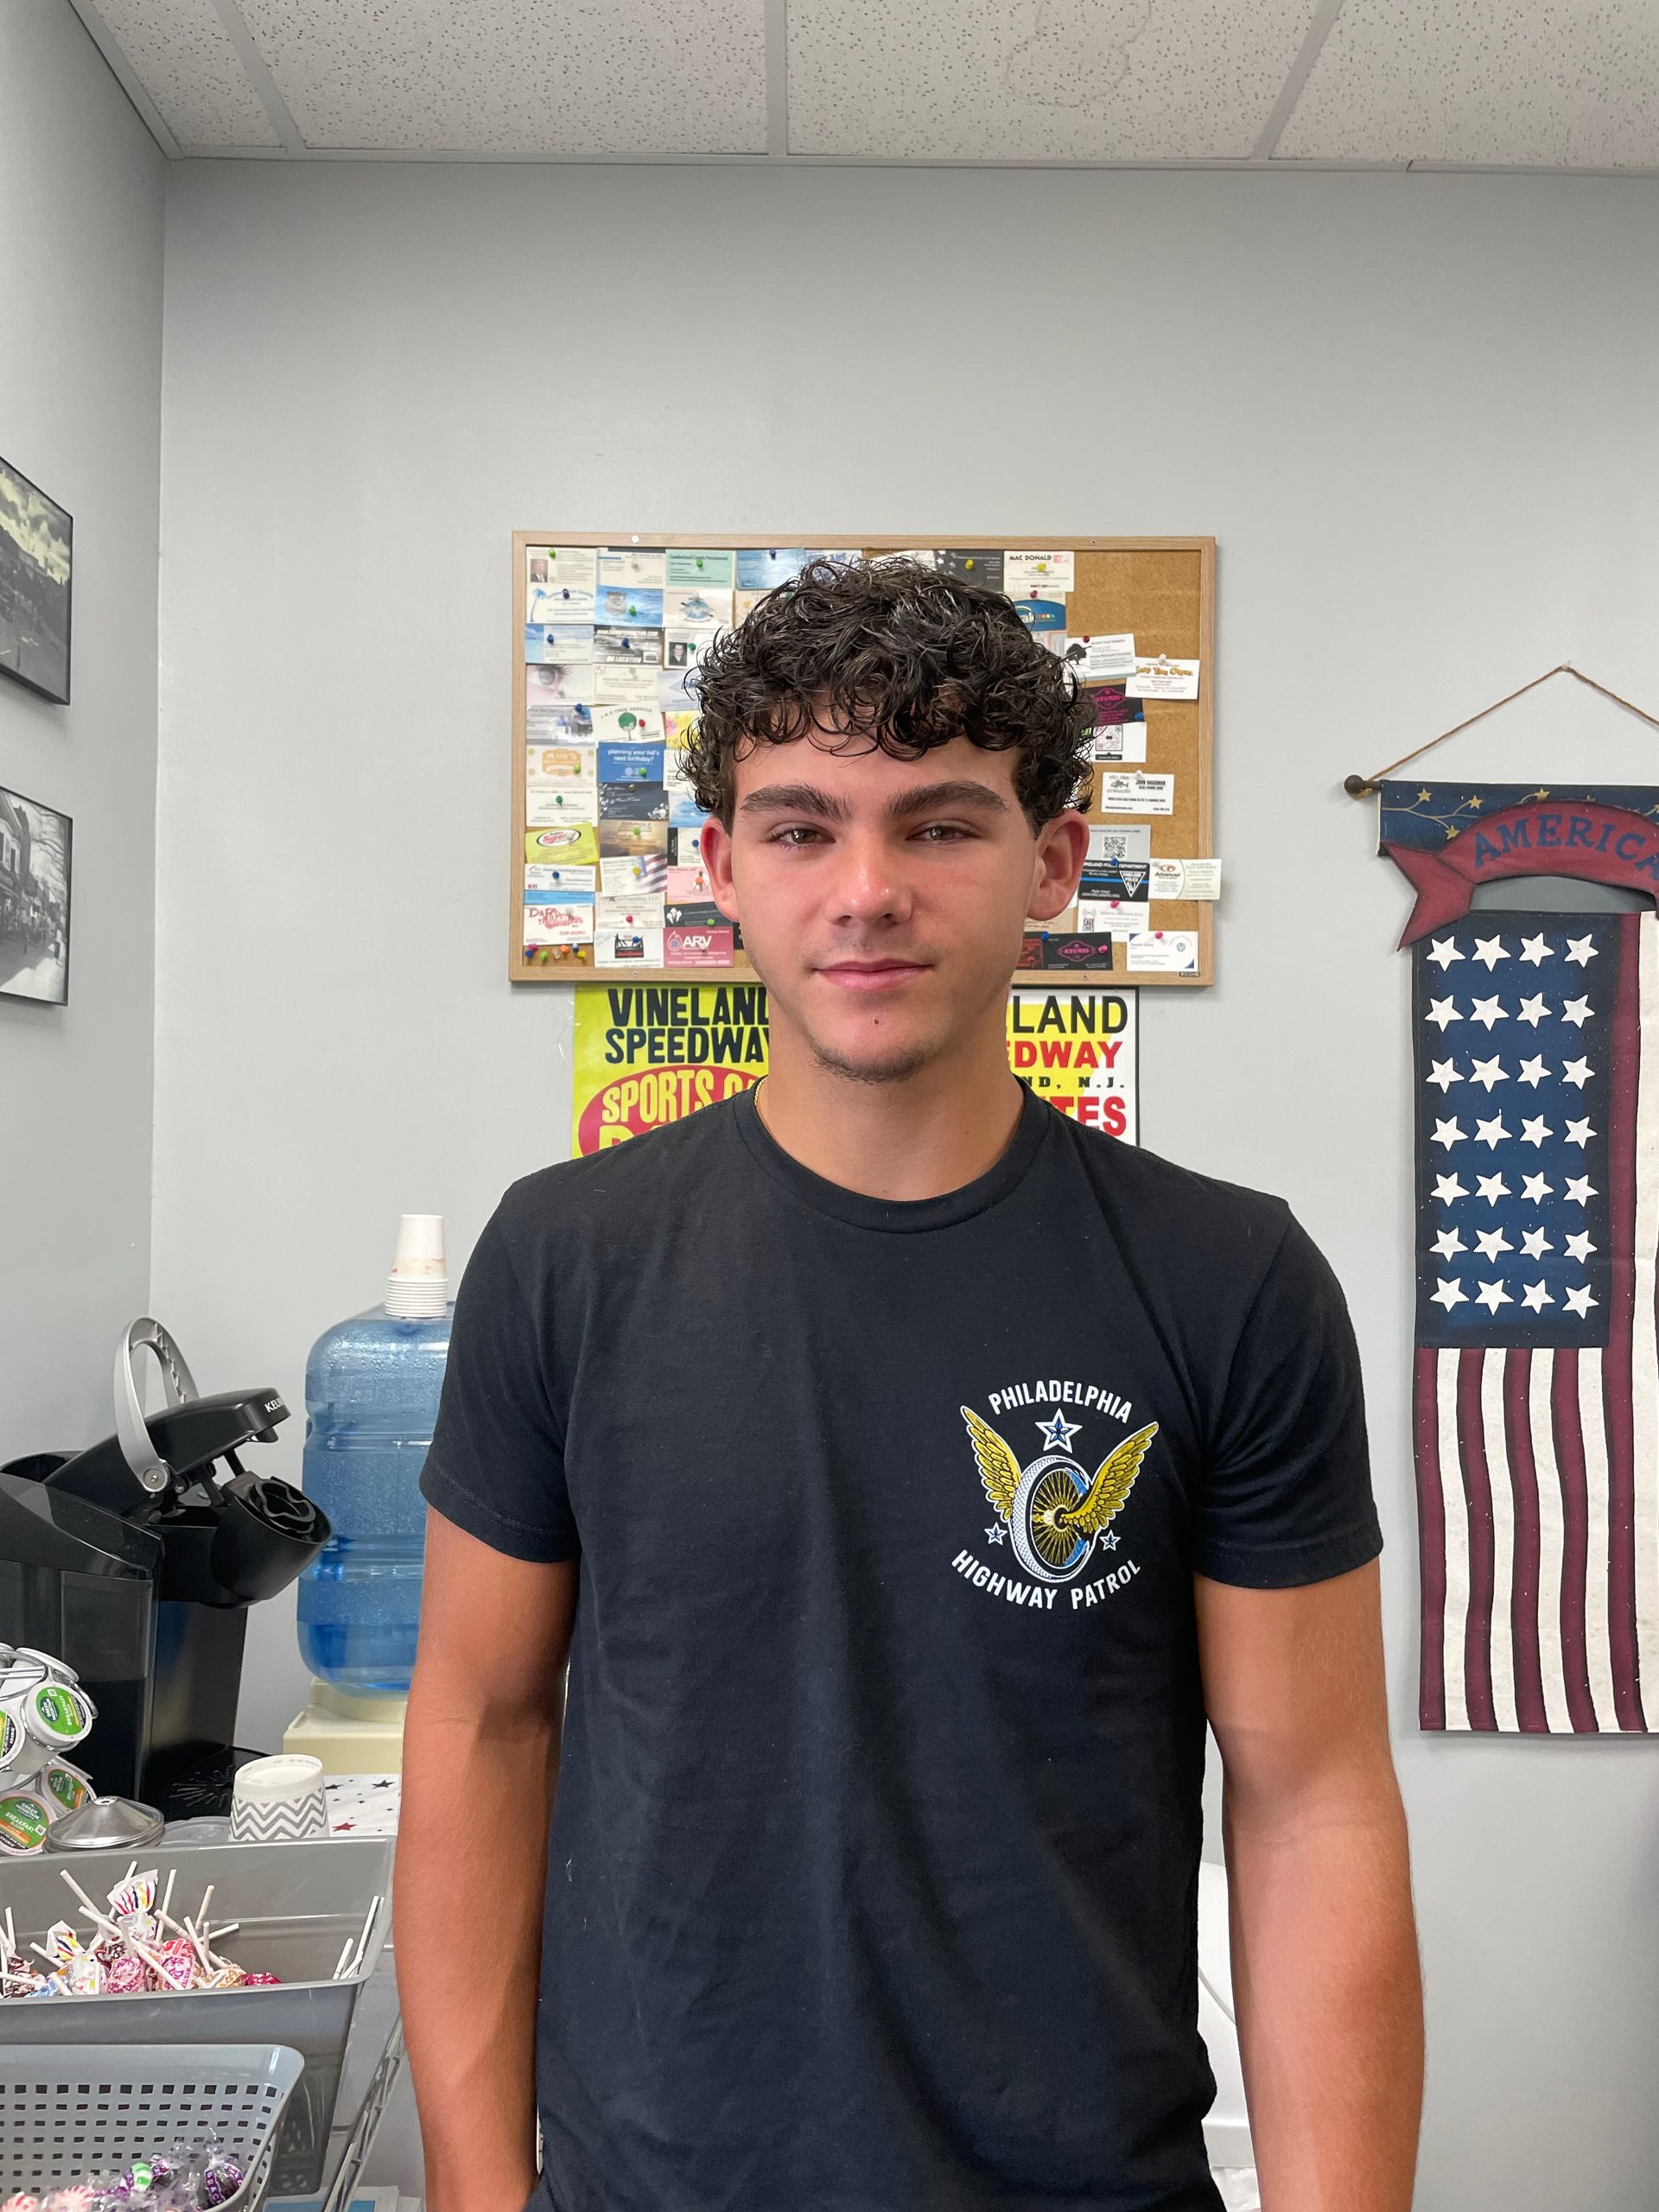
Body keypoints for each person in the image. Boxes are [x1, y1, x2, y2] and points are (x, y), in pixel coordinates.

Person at [396, 559, 1424, 2212]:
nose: (865, 888)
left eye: (940, 825)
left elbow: (1310, 1807)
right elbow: (482, 1727)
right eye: (803, 828)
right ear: (726, 870)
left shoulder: (1230, 1283)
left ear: (1053, 865)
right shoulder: (563, 1261)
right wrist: (474, 2189)